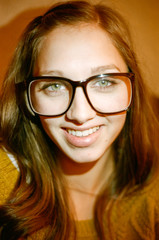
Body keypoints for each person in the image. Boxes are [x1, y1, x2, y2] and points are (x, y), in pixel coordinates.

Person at [0, 1, 159, 239]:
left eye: (104, 81)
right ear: (28, 96)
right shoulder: (6, 180)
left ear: (131, 88)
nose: (80, 115)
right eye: (54, 85)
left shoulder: (152, 190)